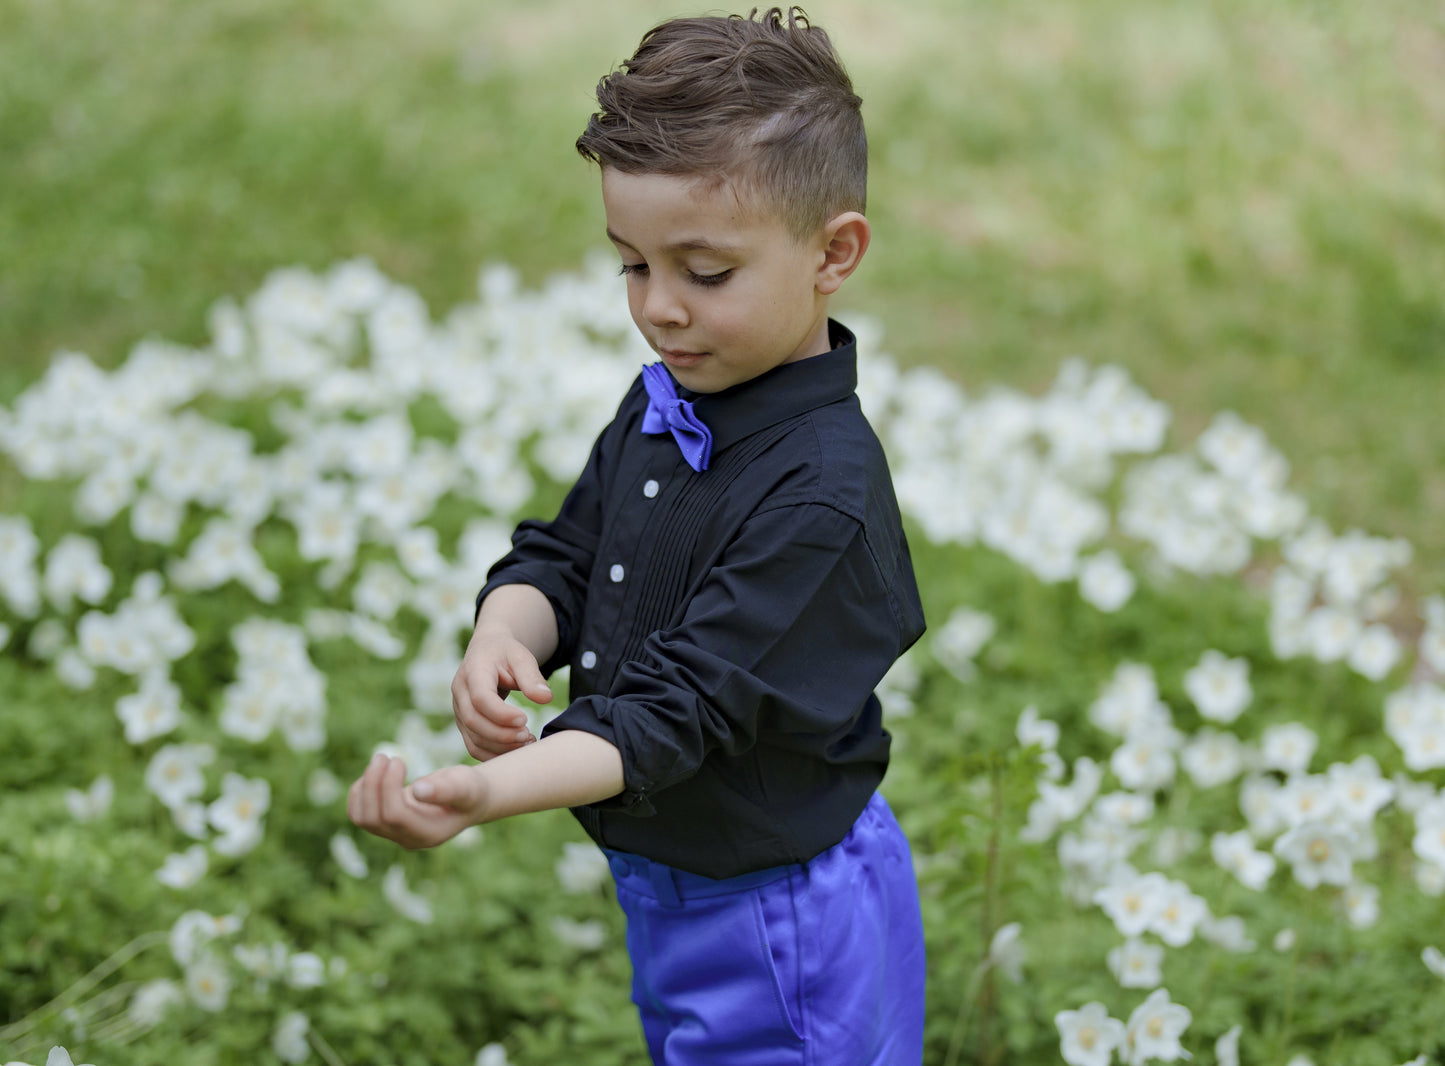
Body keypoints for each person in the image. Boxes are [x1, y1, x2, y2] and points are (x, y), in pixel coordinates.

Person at [348, 8, 927, 1063]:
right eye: (630, 265)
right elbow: (566, 552)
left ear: (832, 252)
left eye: (703, 273)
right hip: (678, 880)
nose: (658, 309)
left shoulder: (819, 497)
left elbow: (677, 709)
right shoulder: (670, 398)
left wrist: (484, 792)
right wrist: (505, 633)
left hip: (781, 914)